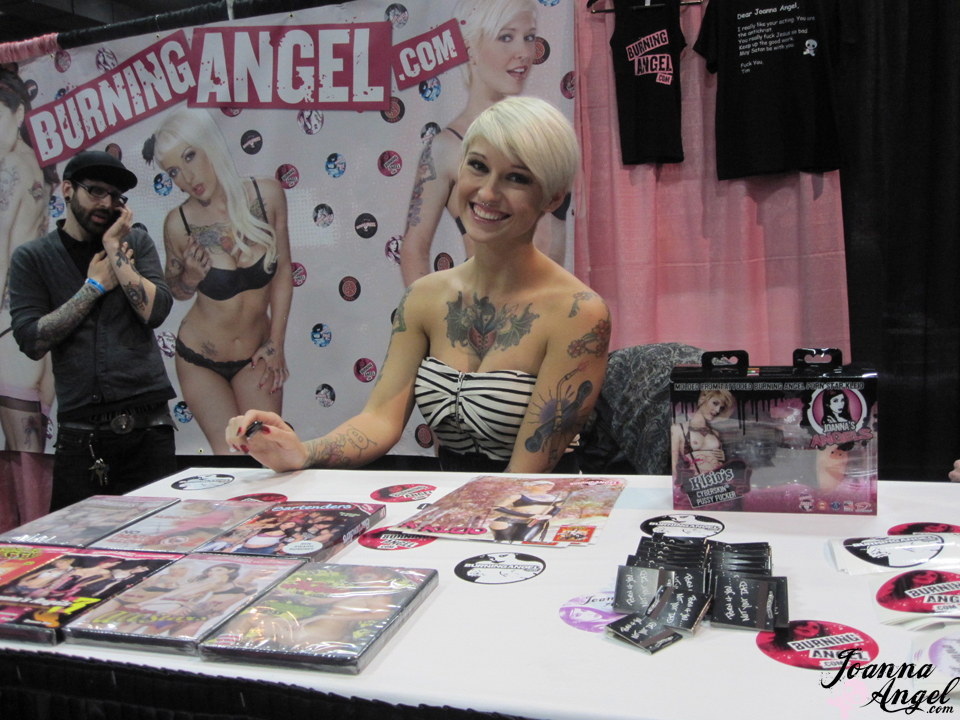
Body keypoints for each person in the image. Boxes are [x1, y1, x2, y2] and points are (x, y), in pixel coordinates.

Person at [227, 97, 610, 475]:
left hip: (535, 503)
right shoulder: (424, 297)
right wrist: (302, 451)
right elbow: (380, 420)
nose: (487, 193)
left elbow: (526, 472)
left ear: (552, 197)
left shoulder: (578, 313)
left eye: (517, 178)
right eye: (478, 166)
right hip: (449, 501)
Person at [8, 150, 177, 511]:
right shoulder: (32, 258)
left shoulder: (136, 243)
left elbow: (156, 311)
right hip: (81, 435)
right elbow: (31, 339)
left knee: (159, 535)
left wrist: (115, 248)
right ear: (68, 189)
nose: (106, 203)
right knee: (78, 543)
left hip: (149, 428)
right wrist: (93, 287)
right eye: (95, 191)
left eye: (115, 196)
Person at [145, 107, 293, 454]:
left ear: (209, 144)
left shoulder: (268, 196)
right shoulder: (178, 223)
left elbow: (284, 271)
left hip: (256, 353)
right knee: (230, 455)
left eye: (190, 156)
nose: (187, 177)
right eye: (173, 171)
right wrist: (190, 277)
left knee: (267, 452)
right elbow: (177, 291)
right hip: (200, 359)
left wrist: (276, 343)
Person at [400, 0, 568, 287]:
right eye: (506, 37)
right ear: (471, 48)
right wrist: (427, 311)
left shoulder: (548, 140)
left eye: (529, 37)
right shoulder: (447, 148)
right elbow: (414, 248)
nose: (523, 52)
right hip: (486, 309)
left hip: (552, 308)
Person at [0, 68, 56, 452]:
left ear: (19, 113)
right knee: (29, 463)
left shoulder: (10, 169)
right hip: (34, 327)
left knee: (23, 469)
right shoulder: (35, 164)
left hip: (9, 331)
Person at [671, 389, 734, 477]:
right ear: (702, 400)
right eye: (715, 403)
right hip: (695, 481)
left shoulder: (715, 433)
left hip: (718, 480)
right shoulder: (678, 429)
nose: (717, 410)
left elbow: (722, 464)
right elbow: (674, 463)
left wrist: (723, 458)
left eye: (721, 408)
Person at [489, 480, 561, 542]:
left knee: (522, 541)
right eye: (540, 485)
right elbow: (497, 507)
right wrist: (527, 515)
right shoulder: (517, 496)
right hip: (507, 521)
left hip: (534, 522)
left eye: (549, 485)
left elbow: (557, 508)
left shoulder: (556, 498)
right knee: (502, 541)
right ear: (529, 486)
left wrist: (549, 516)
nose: (545, 486)